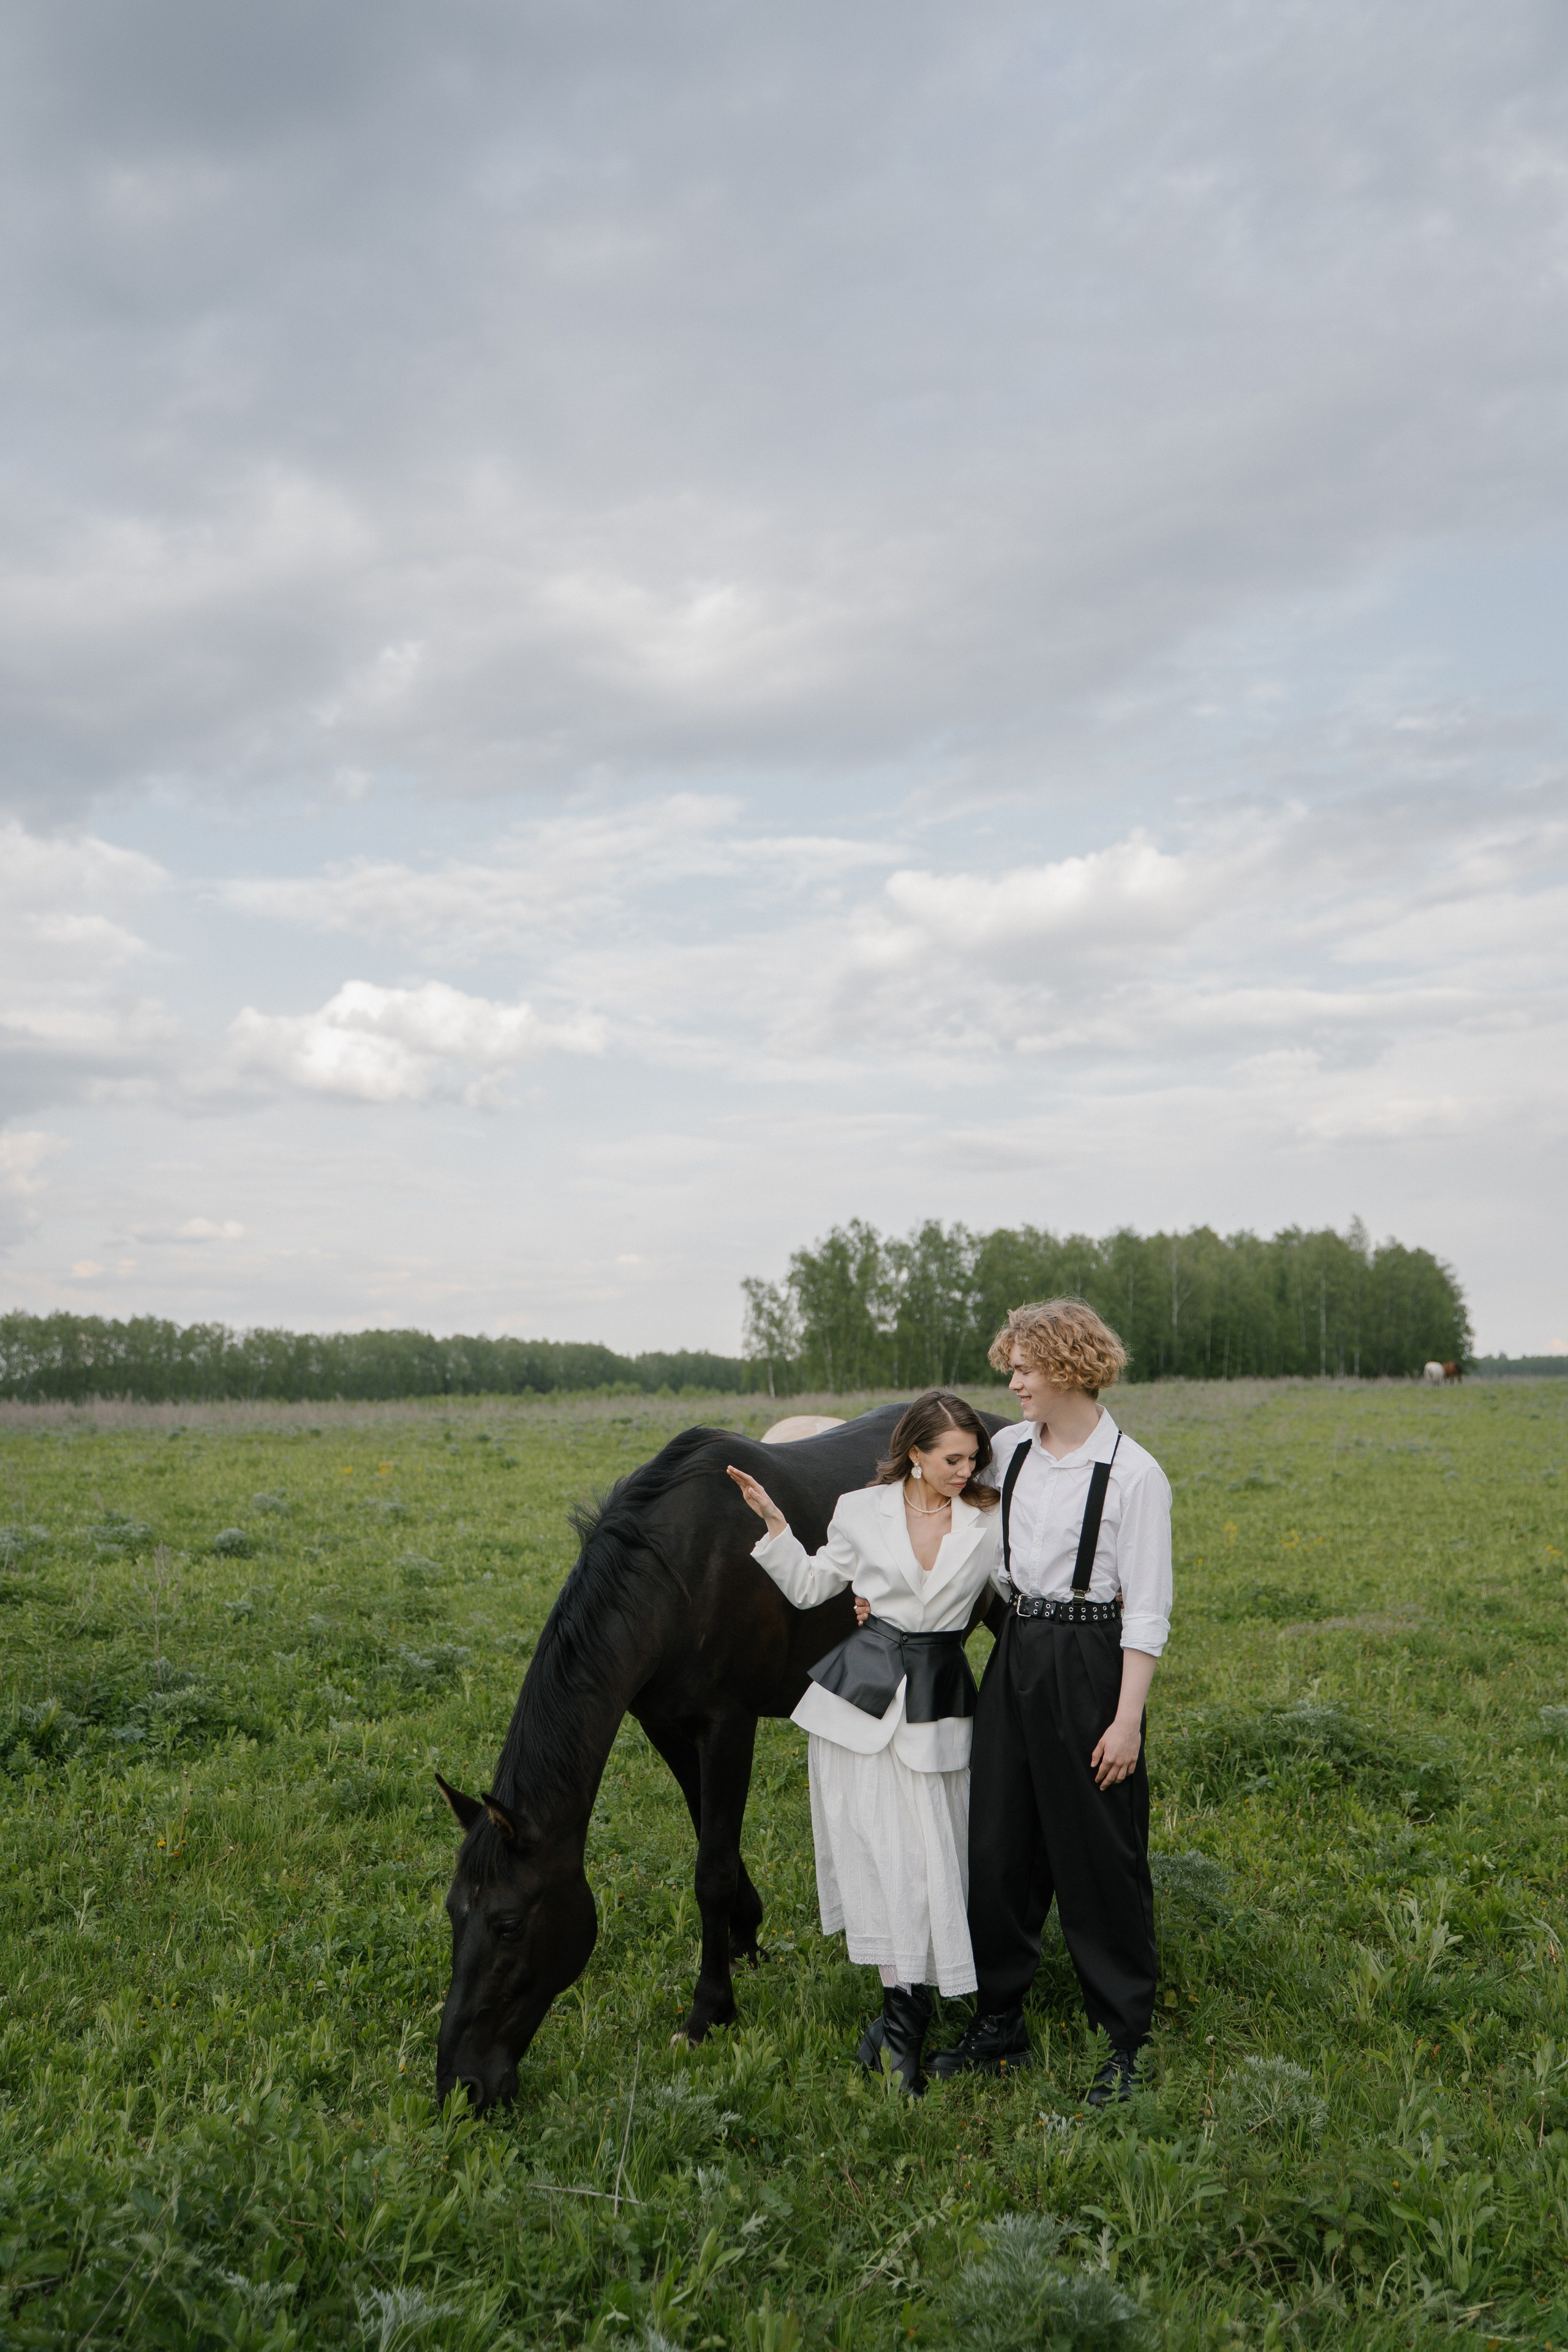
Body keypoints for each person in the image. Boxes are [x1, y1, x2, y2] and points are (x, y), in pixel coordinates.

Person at [926, 1299, 1172, 2106]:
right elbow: (946, 1502)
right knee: (998, 1841)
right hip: (1018, 1649)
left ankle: (1125, 2035)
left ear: (1067, 1367)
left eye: (1024, 1368)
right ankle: (1000, 2020)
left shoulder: (1133, 1474)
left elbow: (1147, 1608)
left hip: (1093, 1662)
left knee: (1100, 1852)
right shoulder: (1007, 1451)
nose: (1012, 1382)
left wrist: (1126, 1719)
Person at [727, 1391, 1005, 2093]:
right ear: (913, 1452)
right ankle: (901, 2030)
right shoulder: (858, 1509)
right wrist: (775, 1527)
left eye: (972, 1458)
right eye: (951, 1458)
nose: (964, 1469)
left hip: (937, 1706)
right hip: (858, 1706)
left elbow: (1017, 1588)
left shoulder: (990, 1515)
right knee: (882, 1862)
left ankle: (899, 2023)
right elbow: (810, 1587)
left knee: (928, 1864)